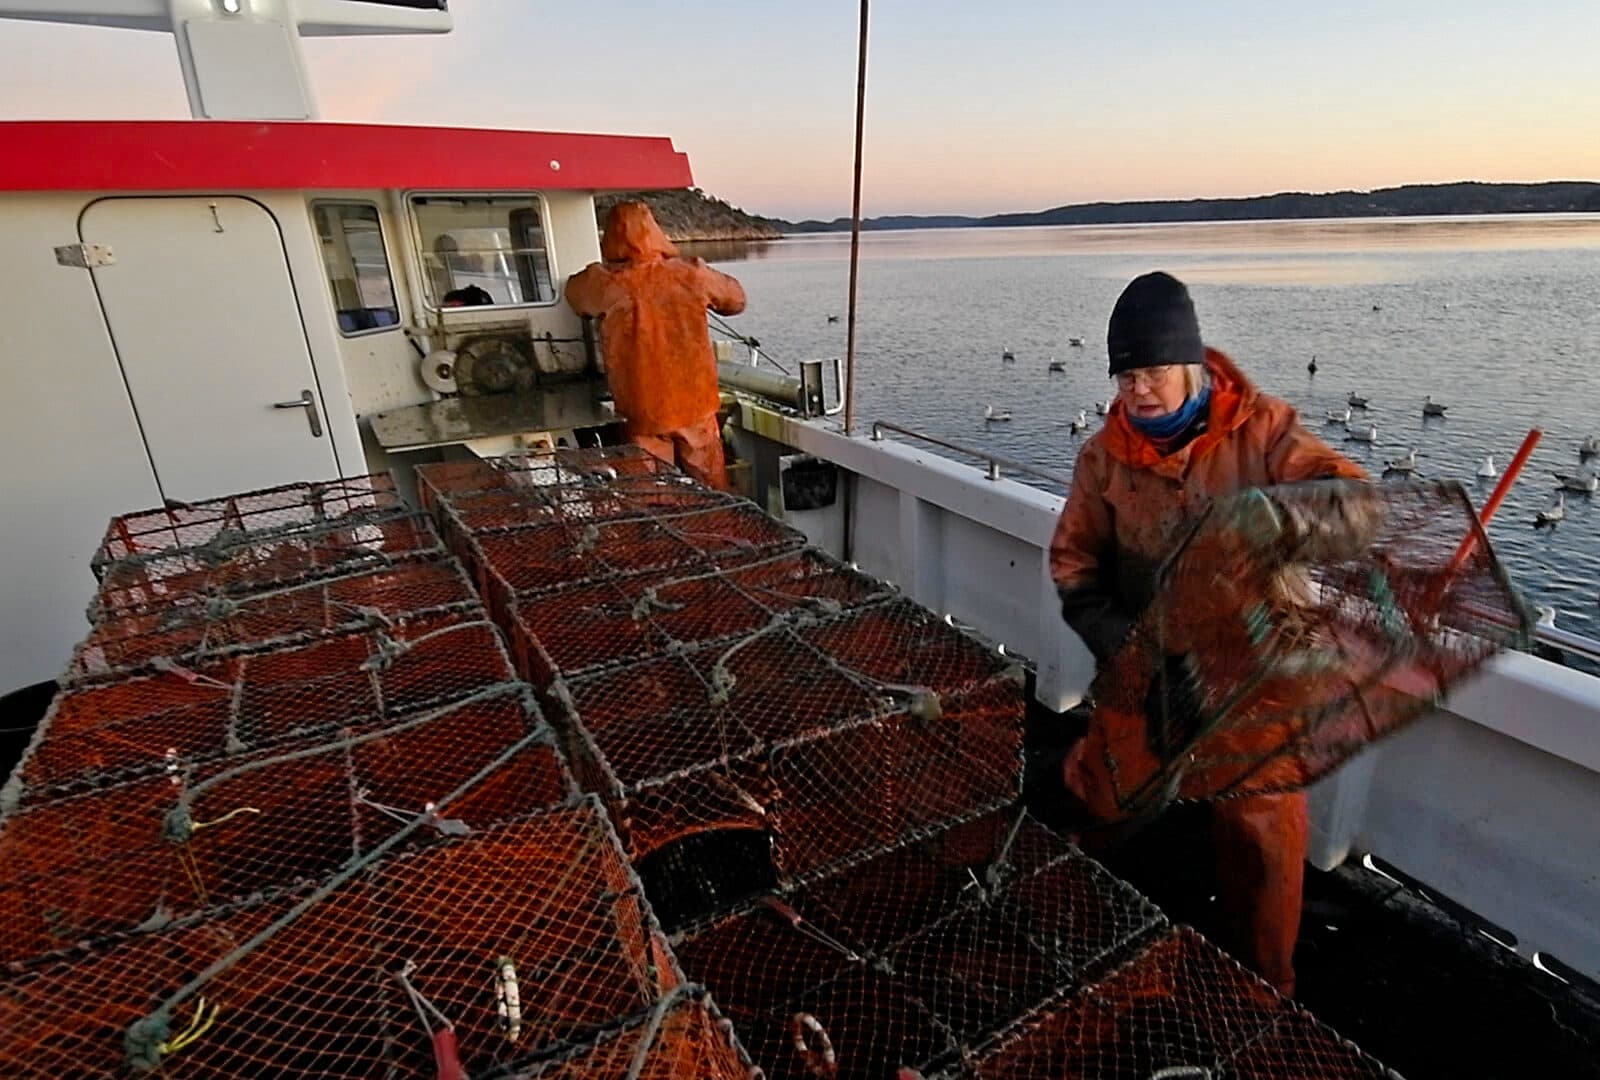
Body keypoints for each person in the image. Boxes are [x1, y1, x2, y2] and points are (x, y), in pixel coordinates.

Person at [1048, 271, 1367, 996]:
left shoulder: (1265, 432)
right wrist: (1128, 649)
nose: (1138, 390)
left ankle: (1263, 990)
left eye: (1153, 370)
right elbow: (1073, 564)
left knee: (1259, 834)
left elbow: (1349, 499)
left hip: (1249, 672)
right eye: (1125, 375)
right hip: (1149, 658)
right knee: (1099, 789)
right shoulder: (1104, 456)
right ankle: (1085, 910)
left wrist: (1282, 518)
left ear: (1190, 364)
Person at [564, 203, 747, 489]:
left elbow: (573, 295)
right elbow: (737, 299)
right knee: (711, 489)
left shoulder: (604, 282)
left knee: (652, 493)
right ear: (656, 232)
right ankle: (716, 529)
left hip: (642, 410)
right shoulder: (692, 274)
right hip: (695, 404)